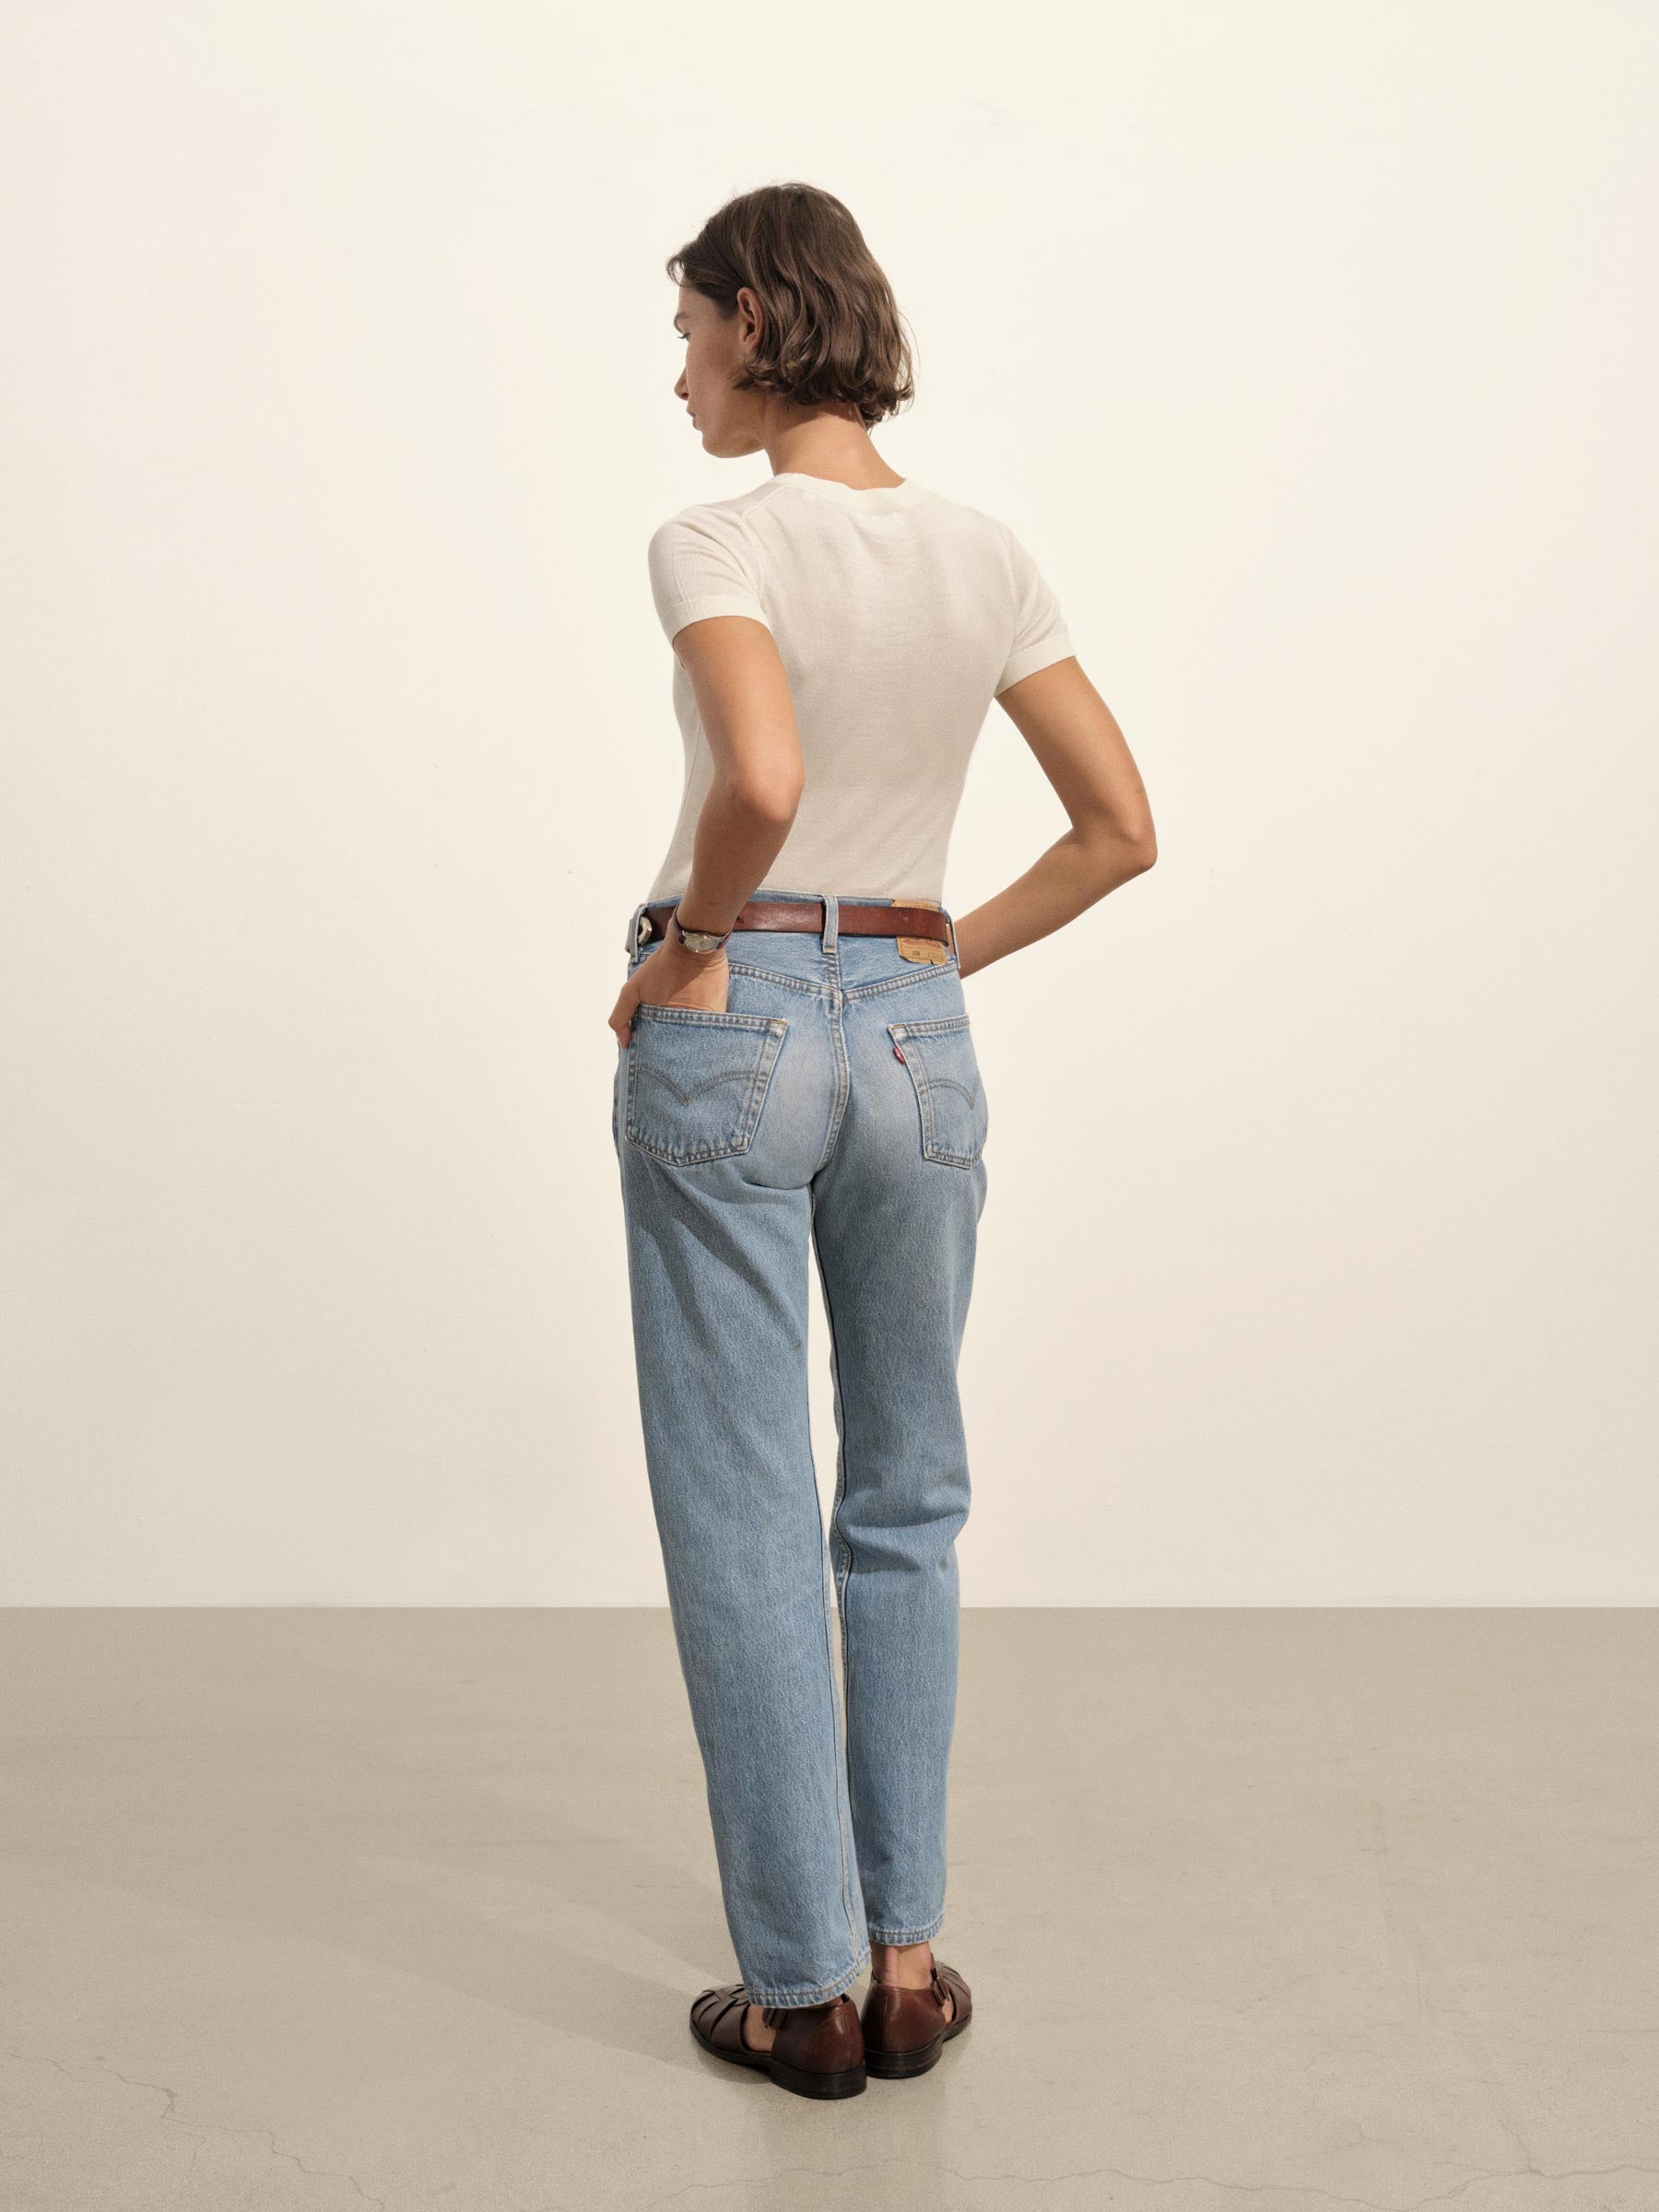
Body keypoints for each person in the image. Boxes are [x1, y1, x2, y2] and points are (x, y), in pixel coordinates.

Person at [608, 182, 1157, 2100]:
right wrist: (929, 964)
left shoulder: (716, 538)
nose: (681, 373)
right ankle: (907, 1960)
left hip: (739, 1014)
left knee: (747, 1505)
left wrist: (688, 946)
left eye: (690, 332)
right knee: (907, 1494)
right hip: (915, 1033)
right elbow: (1120, 828)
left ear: (758, 320)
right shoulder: (986, 555)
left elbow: (760, 778)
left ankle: (802, 1994)